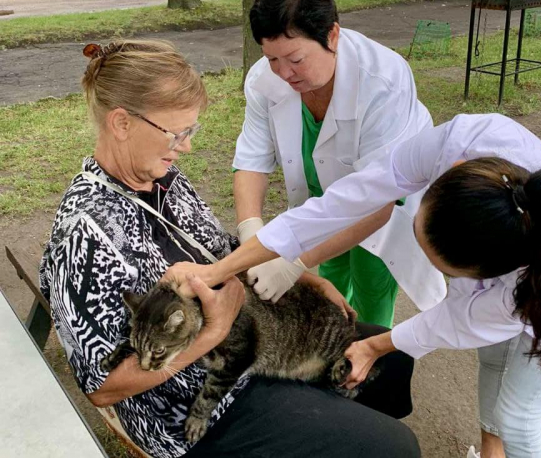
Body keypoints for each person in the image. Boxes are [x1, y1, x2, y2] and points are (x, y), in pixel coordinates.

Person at [40, 40, 420, 458]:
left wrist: (303, 274)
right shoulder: (83, 233)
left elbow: (222, 248)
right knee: (392, 447)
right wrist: (216, 331)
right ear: (122, 123)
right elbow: (102, 388)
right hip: (190, 403)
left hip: (251, 340)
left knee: (390, 355)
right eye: (177, 132)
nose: (185, 146)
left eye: (190, 131)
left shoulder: (163, 180)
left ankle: (339, 421)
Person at [178, 113, 541, 458]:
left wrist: (376, 346)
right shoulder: (467, 140)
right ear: (450, 174)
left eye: (452, 275)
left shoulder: (529, 292)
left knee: (518, 416)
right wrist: (231, 266)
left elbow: (455, 321)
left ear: (490, 276)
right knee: (494, 362)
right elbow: (346, 200)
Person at [232, 0, 445, 327]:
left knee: (372, 285)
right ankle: (336, 342)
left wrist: (293, 263)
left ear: (332, 35)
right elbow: (252, 159)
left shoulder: (384, 82)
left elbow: (378, 201)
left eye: (295, 59)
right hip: (325, 196)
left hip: (383, 207)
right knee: (331, 275)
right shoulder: (263, 82)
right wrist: (252, 234)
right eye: (272, 59)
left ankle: (371, 355)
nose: (283, 73)